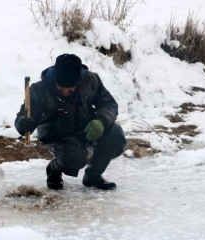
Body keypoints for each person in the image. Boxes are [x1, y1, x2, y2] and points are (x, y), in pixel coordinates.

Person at [15, 53, 126, 190]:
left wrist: (101, 121)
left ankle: (92, 176)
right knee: (77, 157)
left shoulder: (91, 81)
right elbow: (25, 117)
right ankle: (54, 168)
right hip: (56, 134)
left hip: (84, 128)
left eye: (70, 89)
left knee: (115, 135)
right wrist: (24, 123)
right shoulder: (39, 90)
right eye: (61, 88)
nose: (65, 92)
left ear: (78, 80)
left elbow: (109, 104)